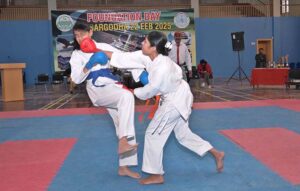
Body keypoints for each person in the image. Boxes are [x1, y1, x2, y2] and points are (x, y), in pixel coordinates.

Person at [109, 31, 225, 185]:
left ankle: (156, 174)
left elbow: (150, 90)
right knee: (183, 135)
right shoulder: (152, 57)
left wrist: (132, 91)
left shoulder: (162, 67)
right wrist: (98, 51)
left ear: (153, 47)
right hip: (180, 96)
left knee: (153, 134)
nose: (142, 43)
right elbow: (126, 58)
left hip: (174, 102)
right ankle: (216, 153)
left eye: (145, 41)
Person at [69, 22, 140, 179]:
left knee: (124, 121)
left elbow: (124, 60)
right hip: (96, 89)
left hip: (111, 85)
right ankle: (123, 141)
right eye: (76, 35)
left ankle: (124, 166)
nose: (80, 38)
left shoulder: (103, 46)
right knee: (126, 96)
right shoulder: (77, 54)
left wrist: (140, 74)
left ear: (91, 32)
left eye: (82, 34)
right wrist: (89, 64)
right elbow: (75, 79)